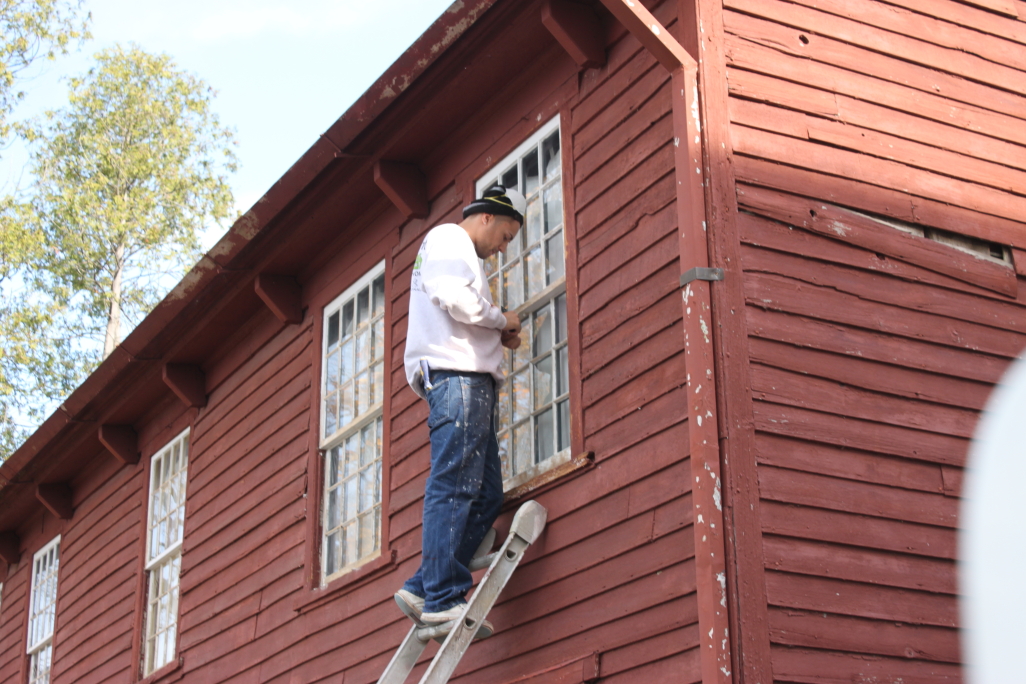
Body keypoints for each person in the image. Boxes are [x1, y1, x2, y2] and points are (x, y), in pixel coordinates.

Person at [395, 185, 525, 632]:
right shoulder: (450, 238)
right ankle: (444, 598)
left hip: (466, 379)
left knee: (486, 495)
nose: (502, 248)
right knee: (452, 485)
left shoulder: (452, 248)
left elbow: (458, 309)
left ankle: (422, 587)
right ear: (487, 217)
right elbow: (453, 296)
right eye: (506, 236)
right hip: (459, 379)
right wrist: (501, 319)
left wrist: (494, 330)